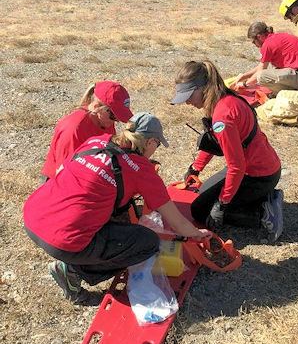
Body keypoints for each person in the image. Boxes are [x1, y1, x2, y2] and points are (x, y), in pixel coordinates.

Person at [23, 112, 212, 304]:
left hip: (34, 217)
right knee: (147, 243)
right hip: (64, 240)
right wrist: (196, 233)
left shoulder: (95, 142)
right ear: (150, 142)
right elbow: (177, 222)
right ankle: (72, 271)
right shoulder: (140, 168)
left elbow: (68, 173)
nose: (156, 149)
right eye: (157, 144)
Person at [170, 60, 284, 243]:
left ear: (204, 88)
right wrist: (196, 168)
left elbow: (236, 167)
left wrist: (222, 204)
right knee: (203, 197)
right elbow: (215, 142)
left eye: (189, 96)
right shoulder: (222, 99)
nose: (188, 102)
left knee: (200, 211)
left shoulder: (223, 116)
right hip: (261, 167)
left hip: (257, 175)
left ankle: (262, 213)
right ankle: (260, 198)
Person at [41, 81, 133, 181]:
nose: (117, 120)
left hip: (88, 173)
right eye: (114, 116)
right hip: (60, 182)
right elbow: (63, 173)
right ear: (96, 108)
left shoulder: (104, 120)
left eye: (119, 117)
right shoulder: (74, 128)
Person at [232, 21, 298, 96]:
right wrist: (243, 77)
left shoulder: (267, 44)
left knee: (262, 77)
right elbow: (260, 66)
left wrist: (245, 84)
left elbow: (260, 71)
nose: (255, 45)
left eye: (254, 42)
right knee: (270, 67)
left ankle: (287, 94)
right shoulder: (276, 38)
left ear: (259, 37)